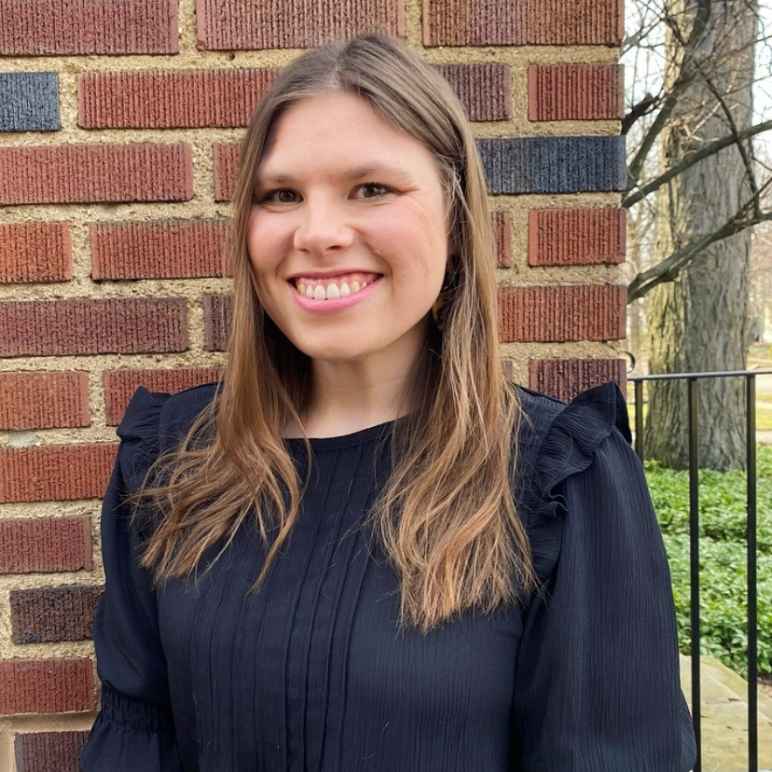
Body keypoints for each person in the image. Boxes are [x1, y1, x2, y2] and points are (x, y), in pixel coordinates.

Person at [80, 32, 697, 772]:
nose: (318, 233)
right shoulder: (170, 466)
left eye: (371, 189)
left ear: (455, 221)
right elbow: (136, 740)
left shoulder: (557, 481)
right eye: (281, 195)